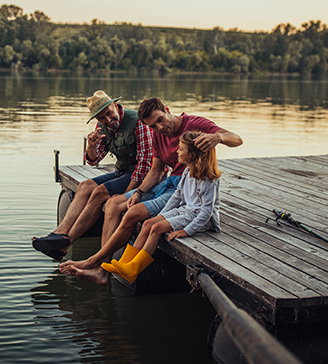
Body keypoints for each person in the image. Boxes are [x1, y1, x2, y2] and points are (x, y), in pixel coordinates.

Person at [60, 97, 241, 284]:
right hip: (167, 182)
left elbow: (237, 139)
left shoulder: (194, 125)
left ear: (167, 110)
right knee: (113, 203)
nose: (159, 128)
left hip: (183, 186)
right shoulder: (156, 134)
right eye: (153, 126)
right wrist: (138, 192)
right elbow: (156, 170)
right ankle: (102, 270)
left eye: (160, 120)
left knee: (132, 214)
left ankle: (95, 263)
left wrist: (218, 137)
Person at [32, 91, 153, 260]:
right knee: (85, 186)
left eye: (109, 113)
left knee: (99, 192)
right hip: (122, 171)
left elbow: (145, 166)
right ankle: (59, 233)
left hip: (141, 176)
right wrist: (91, 146)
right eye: (102, 118)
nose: (108, 120)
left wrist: (127, 194)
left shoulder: (137, 121)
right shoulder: (102, 126)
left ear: (114, 105)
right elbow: (93, 160)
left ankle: (65, 244)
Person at [101, 130, 222, 283]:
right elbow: (177, 196)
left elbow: (206, 212)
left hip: (201, 219)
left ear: (192, 155)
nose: (177, 151)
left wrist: (186, 231)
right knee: (148, 224)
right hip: (186, 210)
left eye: (181, 149)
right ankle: (125, 263)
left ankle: (134, 269)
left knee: (156, 229)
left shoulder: (208, 179)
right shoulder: (186, 172)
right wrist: (161, 215)